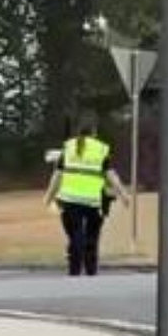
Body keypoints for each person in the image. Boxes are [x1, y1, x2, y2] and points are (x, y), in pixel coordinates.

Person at [43, 115, 129, 276]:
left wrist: (48, 197)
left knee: (75, 235)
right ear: (94, 132)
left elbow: (57, 176)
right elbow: (110, 175)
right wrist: (123, 194)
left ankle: (74, 270)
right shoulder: (101, 149)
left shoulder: (68, 147)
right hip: (93, 201)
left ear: (78, 132)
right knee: (92, 237)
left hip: (69, 200)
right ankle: (91, 271)